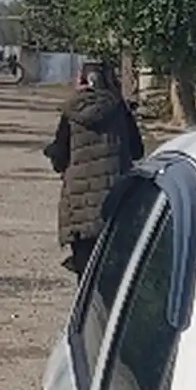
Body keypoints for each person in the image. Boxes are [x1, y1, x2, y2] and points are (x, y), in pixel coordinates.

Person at [45, 57, 144, 277]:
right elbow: (137, 150)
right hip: (116, 204)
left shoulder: (70, 112)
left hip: (80, 209)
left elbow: (60, 158)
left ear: (81, 80)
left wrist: (54, 154)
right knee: (117, 275)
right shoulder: (119, 109)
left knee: (86, 274)